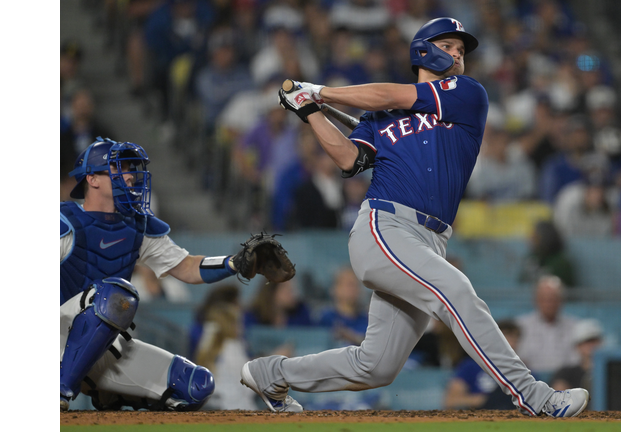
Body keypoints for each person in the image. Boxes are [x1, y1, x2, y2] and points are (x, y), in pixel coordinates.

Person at [240, 17, 589, 418]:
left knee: (376, 365)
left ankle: (272, 373)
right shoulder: (379, 115)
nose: (458, 54)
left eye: (462, 50)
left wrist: (321, 91)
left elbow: (393, 94)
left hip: (430, 240)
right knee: (457, 292)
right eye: (450, 46)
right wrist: (310, 111)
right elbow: (349, 159)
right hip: (384, 226)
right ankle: (535, 396)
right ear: (424, 48)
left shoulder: (466, 92)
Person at [59, 138, 263, 411]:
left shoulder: (136, 227)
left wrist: (235, 263)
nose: (130, 176)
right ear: (92, 179)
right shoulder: (64, 222)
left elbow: (188, 267)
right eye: (120, 168)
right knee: (116, 295)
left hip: (101, 348)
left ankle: (110, 392)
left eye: (131, 168)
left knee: (195, 385)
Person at [443, 320, 521, 409]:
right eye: (506, 340)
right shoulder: (471, 367)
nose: (512, 344)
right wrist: (486, 400)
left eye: (515, 340)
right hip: (479, 415)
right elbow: (450, 401)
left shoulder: (522, 372)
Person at [515, 276, 581, 379]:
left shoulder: (575, 326)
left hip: (566, 382)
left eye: (553, 299)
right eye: (544, 299)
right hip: (530, 381)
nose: (549, 304)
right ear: (536, 300)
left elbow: (576, 361)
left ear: (561, 301)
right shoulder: (521, 326)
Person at [551, 318, 604, 399]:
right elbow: (558, 399)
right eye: (587, 341)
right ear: (578, 346)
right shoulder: (566, 373)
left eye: (594, 341)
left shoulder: (609, 372)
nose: (591, 346)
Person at [317, 267, 369, 348]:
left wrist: (353, 337)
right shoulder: (325, 318)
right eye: (349, 284)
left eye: (356, 285)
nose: (353, 289)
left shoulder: (367, 319)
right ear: (336, 289)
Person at [519, 220, 577, 287]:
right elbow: (522, 282)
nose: (531, 238)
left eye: (536, 236)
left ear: (546, 237)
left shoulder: (561, 263)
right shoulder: (531, 258)